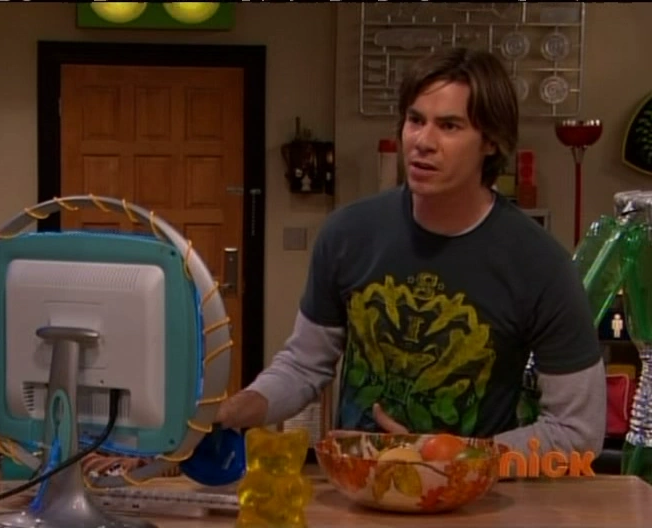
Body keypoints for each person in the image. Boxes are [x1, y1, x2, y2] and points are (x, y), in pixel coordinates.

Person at [217, 47, 606, 457]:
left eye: (449, 126)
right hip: (359, 483)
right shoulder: (348, 234)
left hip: (473, 489)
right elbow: (303, 365)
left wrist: (451, 456)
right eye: (415, 120)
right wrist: (235, 411)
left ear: (491, 141)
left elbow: (577, 430)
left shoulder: (540, 264)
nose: (423, 141)